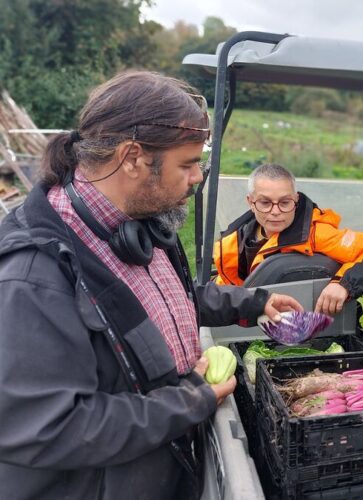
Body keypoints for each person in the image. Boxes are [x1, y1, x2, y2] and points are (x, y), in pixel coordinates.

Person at [0, 71, 303, 500]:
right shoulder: (34, 274)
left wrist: (254, 301)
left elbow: (162, 300)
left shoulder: (138, 226)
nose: (197, 177)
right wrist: (188, 401)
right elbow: (46, 426)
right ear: (133, 157)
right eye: (187, 163)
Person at [213, 163, 363, 315]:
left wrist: (343, 285)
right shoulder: (232, 244)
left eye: (285, 202)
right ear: (250, 202)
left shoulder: (317, 234)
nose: (276, 211)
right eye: (265, 203)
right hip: (249, 319)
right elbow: (227, 287)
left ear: (295, 200)